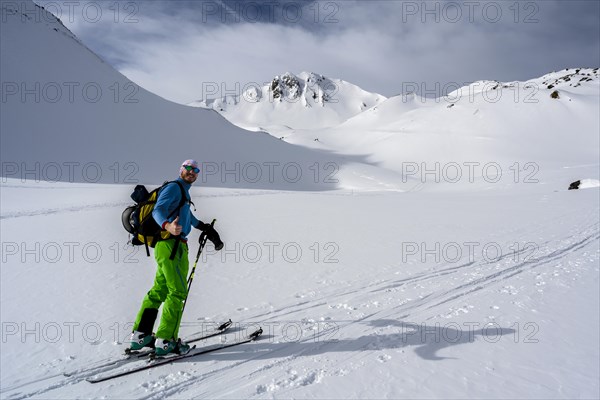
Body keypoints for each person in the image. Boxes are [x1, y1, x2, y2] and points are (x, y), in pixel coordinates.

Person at [129, 159, 223, 356]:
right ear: (181, 170)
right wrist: (167, 226)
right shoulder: (174, 188)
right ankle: (166, 340)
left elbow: (188, 216)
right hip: (172, 246)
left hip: (166, 247)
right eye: (188, 168)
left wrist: (204, 227)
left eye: (195, 170)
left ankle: (141, 335)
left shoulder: (182, 192)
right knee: (177, 292)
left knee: (159, 291)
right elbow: (158, 210)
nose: (191, 172)